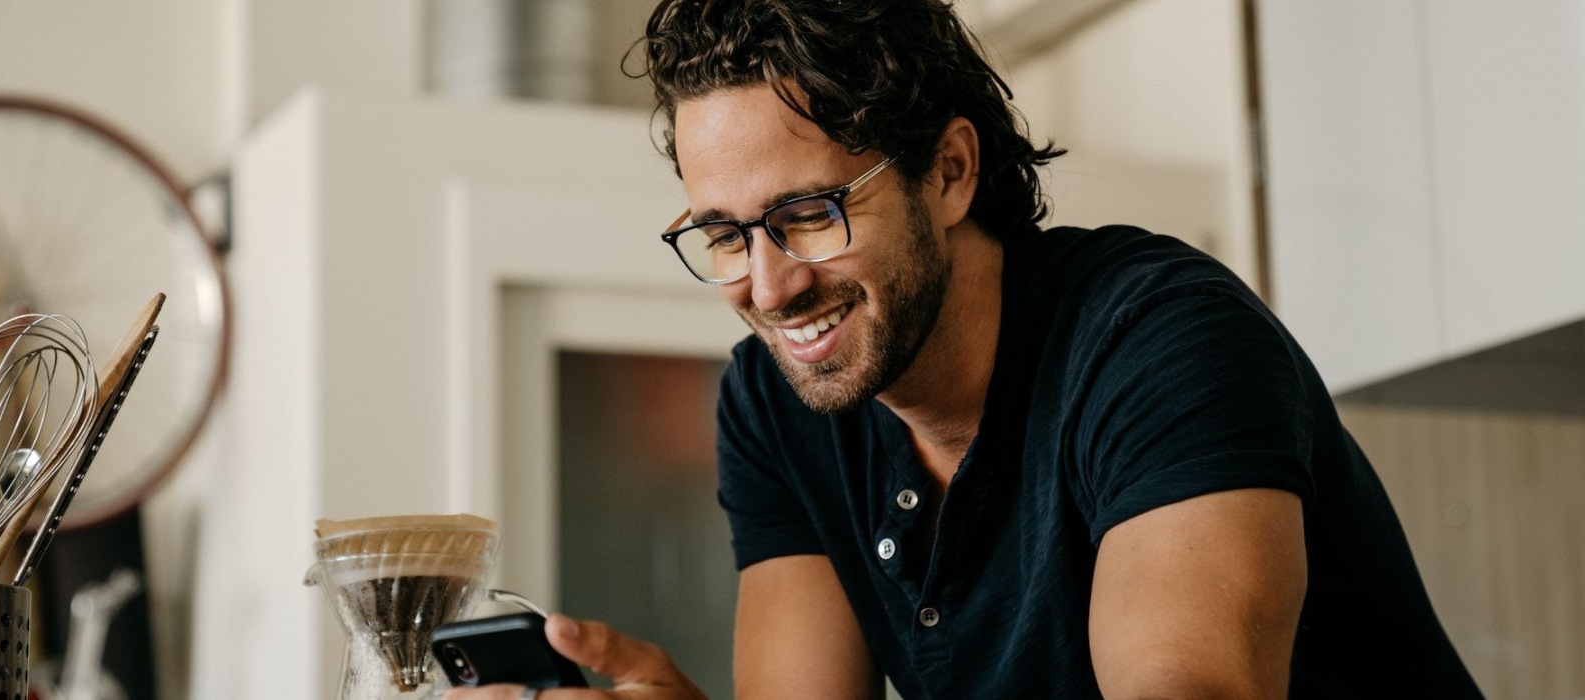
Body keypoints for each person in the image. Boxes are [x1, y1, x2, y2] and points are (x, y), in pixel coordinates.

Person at [450, 0, 1484, 698]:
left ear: (948, 171)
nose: (767, 287)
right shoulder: (775, 406)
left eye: (808, 213)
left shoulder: (1158, 336)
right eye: (723, 234)